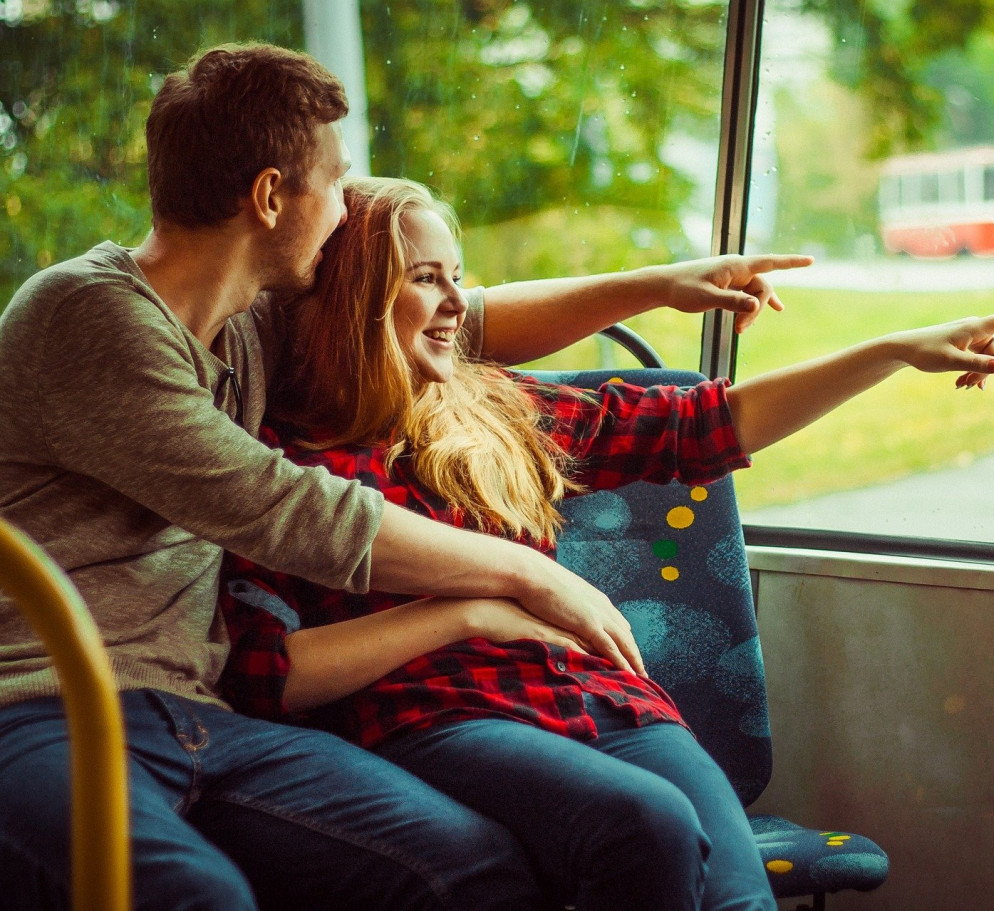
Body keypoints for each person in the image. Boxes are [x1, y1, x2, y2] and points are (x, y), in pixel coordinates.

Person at [0, 42, 811, 910]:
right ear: (272, 198)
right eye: (337, 183)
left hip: (205, 716)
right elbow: (287, 510)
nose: (349, 210)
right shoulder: (88, 315)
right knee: (196, 894)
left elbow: (459, 315)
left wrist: (660, 284)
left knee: (467, 865)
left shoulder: (241, 325)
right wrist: (527, 573)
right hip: (47, 709)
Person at [217, 176, 994, 910]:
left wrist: (893, 351)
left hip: (606, 699)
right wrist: (468, 612)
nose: (459, 305)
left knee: (733, 889)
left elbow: (714, 422)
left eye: (459, 279)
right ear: (358, 295)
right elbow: (266, 673)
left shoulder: (494, 407)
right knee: (650, 824)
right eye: (425, 279)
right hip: (440, 715)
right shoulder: (283, 459)